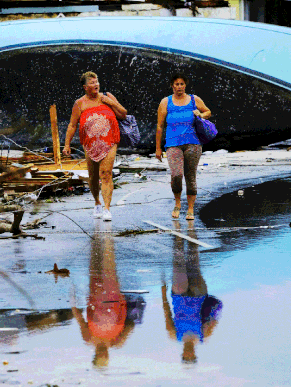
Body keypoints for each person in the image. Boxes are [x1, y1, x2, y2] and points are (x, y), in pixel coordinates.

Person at [71, 221, 140, 367]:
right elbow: (132, 324)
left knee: (95, 265)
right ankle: (107, 236)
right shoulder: (117, 342)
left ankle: (98, 235)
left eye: (102, 357)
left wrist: (73, 302)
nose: (104, 354)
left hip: (96, 297)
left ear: (96, 355)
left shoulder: (90, 339)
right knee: (109, 266)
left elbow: (80, 319)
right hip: (113, 297)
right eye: (105, 357)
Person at [63, 71, 127, 221]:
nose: (96, 84)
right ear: (85, 87)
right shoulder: (79, 104)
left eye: (97, 81)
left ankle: (107, 208)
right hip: (89, 143)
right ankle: (97, 202)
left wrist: (111, 102)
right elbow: (72, 125)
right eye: (92, 83)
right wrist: (67, 144)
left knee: (106, 174)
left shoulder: (107, 97)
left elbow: (123, 114)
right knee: (93, 177)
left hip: (109, 141)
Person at [161, 220, 222, 364]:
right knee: (194, 260)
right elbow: (214, 316)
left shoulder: (174, 334)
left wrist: (163, 293)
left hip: (179, 296)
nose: (189, 353)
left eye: (186, 356)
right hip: (198, 295)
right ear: (195, 355)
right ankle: (191, 228)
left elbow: (167, 313)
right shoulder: (203, 336)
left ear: (182, 354)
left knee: (178, 262)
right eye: (191, 356)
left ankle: (178, 233)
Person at [155, 73, 211, 220]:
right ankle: (178, 203)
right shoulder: (165, 102)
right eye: (176, 84)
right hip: (173, 144)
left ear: (185, 85)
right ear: (172, 86)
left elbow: (208, 111)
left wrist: (201, 115)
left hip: (193, 143)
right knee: (176, 174)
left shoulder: (194, 99)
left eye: (181, 84)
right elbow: (160, 126)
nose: (179, 87)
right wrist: (158, 148)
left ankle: (191, 208)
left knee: (190, 176)